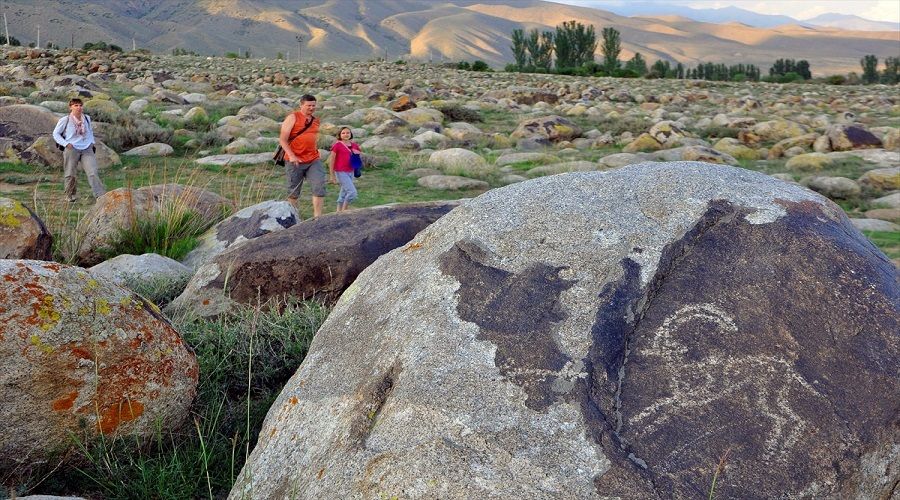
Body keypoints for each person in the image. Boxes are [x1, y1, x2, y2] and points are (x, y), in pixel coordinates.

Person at [52, 98, 106, 202]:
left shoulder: (86, 118)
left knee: (92, 172)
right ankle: (70, 195)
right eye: (76, 105)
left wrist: (91, 142)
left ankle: (100, 195)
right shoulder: (65, 120)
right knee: (70, 173)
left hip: (87, 148)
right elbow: (56, 133)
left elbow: (89, 131)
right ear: (70, 107)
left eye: (80, 105)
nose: (79, 107)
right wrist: (66, 144)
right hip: (72, 149)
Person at [279, 94, 324, 217]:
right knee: (293, 192)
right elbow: (282, 140)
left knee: (319, 187)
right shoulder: (293, 117)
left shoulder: (315, 120)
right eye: (308, 105)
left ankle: (318, 218)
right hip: (294, 160)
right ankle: (294, 217)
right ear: (301, 105)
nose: (311, 108)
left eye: (313, 105)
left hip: (313, 159)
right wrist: (292, 155)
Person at [328, 127, 361, 212]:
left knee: (343, 193)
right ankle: (344, 210)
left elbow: (357, 158)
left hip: (351, 171)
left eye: (348, 133)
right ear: (340, 135)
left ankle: (338, 211)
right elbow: (331, 160)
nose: (346, 134)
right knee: (352, 193)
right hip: (340, 171)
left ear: (351, 134)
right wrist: (332, 176)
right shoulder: (337, 145)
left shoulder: (355, 145)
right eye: (343, 133)